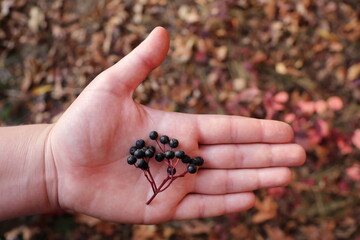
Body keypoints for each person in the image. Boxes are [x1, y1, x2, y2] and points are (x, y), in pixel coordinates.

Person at [0, 27, 305, 224]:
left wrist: (49, 161)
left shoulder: (167, 158)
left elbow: (170, 160)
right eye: (168, 156)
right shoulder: (156, 157)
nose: (169, 157)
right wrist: (50, 163)